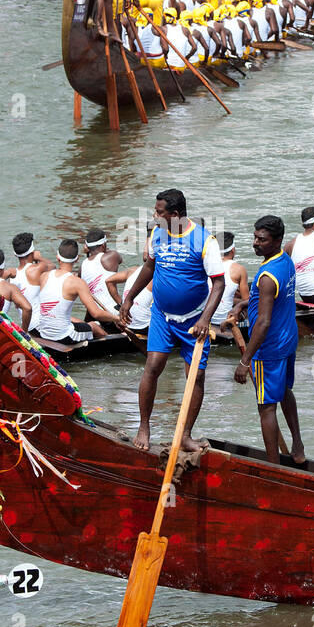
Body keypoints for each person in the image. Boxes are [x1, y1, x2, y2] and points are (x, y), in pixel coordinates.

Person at [119, 188, 225, 451]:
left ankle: (186, 435)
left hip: (194, 321)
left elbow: (219, 284)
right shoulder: (158, 234)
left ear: (175, 215)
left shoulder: (204, 240)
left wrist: (205, 319)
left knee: (196, 377)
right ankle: (144, 427)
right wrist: (129, 298)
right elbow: (149, 267)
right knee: (153, 366)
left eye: (159, 212)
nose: (155, 216)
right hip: (162, 317)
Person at [229, 215, 304, 465]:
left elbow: (262, 322)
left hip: (268, 349)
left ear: (277, 240)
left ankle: (274, 466)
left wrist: (245, 360)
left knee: (266, 407)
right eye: (254, 237)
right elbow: (274, 299)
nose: (255, 243)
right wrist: (243, 302)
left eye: (262, 240)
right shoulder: (285, 262)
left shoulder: (266, 277)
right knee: (284, 391)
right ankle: (297, 444)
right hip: (288, 340)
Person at [34, 239, 120, 344]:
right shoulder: (78, 283)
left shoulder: (44, 276)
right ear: (77, 259)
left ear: (57, 257)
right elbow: (96, 313)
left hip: (43, 332)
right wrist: (117, 319)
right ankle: (113, 345)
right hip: (64, 336)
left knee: (81, 322)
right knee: (94, 326)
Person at [79, 229, 130, 318]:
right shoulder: (111, 256)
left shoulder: (82, 266)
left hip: (94, 313)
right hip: (112, 312)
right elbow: (120, 260)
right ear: (103, 245)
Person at [210, 232, 248, 327]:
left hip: (206, 318)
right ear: (233, 250)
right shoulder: (239, 269)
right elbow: (246, 300)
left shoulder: (205, 264)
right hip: (226, 321)